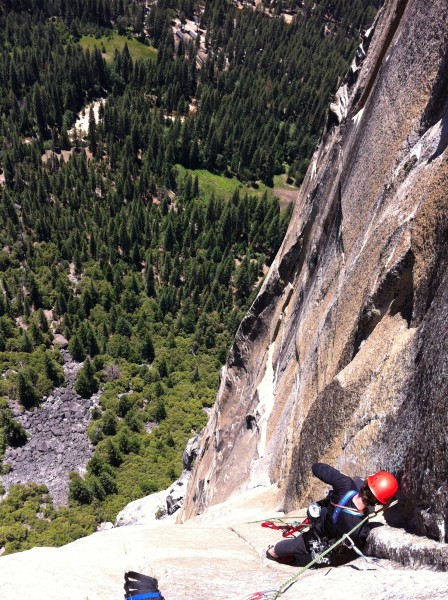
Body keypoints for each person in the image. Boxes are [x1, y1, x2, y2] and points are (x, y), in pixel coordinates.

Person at [266, 463, 398, 566]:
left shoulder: (345, 484)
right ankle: (275, 552)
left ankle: (273, 552)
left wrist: (340, 476)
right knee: (300, 545)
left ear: (367, 483)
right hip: (322, 537)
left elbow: (316, 467)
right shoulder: (357, 528)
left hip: (320, 519)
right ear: (378, 502)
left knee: (293, 544)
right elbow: (361, 539)